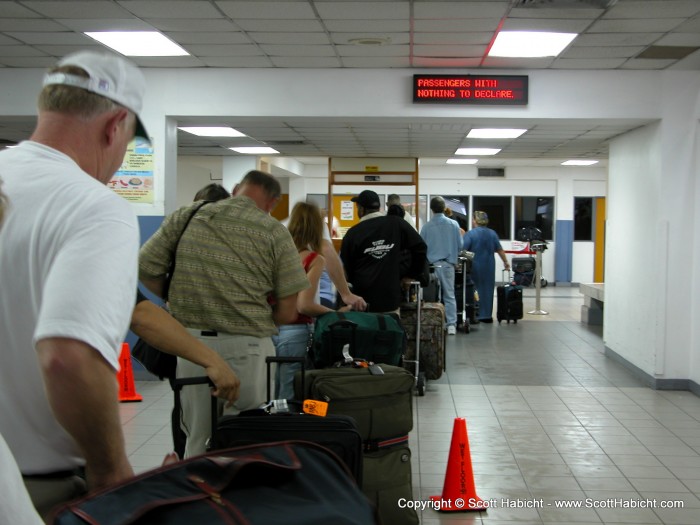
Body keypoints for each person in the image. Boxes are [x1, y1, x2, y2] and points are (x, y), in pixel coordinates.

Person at [0, 50, 149, 517]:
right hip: (30, 493)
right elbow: (69, 356)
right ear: (114, 125)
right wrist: (110, 469)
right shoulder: (95, 208)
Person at [139, 169, 309, 458]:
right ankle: (238, 498)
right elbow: (288, 309)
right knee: (246, 436)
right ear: (273, 202)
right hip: (251, 348)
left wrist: (176, 298)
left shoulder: (188, 216)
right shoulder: (273, 232)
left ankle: (200, 496)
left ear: (235, 189)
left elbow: (145, 267)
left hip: (191, 346)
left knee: (196, 435)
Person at [273, 202, 351, 399]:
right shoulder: (313, 259)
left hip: (269, 329)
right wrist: (337, 314)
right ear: (318, 227)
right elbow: (304, 305)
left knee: (271, 389)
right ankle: (290, 428)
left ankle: (271, 427)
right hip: (295, 332)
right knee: (291, 393)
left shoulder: (274, 254)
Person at [340, 190, 427, 313]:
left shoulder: (353, 233)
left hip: (362, 302)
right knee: (390, 330)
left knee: (365, 331)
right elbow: (420, 247)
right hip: (390, 298)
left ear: (361, 209)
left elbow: (346, 268)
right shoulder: (396, 223)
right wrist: (411, 275)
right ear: (379, 207)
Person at [420, 196, 462, 335]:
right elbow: (460, 245)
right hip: (448, 265)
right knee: (449, 295)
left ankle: (435, 323)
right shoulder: (454, 225)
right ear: (444, 208)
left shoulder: (426, 227)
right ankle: (451, 325)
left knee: (432, 296)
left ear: (431, 209)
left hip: (432, 267)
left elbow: (422, 248)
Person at [462, 211, 510, 323]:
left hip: (474, 267)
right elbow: (499, 249)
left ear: (475, 220)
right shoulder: (492, 233)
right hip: (489, 267)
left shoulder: (470, 234)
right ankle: (487, 315)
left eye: (473, 219)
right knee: (488, 290)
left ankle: (476, 314)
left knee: (474, 290)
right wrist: (505, 262)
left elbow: (463, 250)